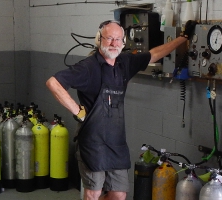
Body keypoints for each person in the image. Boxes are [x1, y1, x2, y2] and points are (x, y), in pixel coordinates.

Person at [46, 19, 197, 200]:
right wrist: (77, 111)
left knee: (118, 195)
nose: (113, 43)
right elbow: (53, 83)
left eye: (118, 39)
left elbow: (154, 54)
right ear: (99, 39)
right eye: (109, 38)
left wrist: (183, 38)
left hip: (116, 142)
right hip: (93, 142)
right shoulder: (88, 67)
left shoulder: (124, 63)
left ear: (124, 42)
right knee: (93, 193)